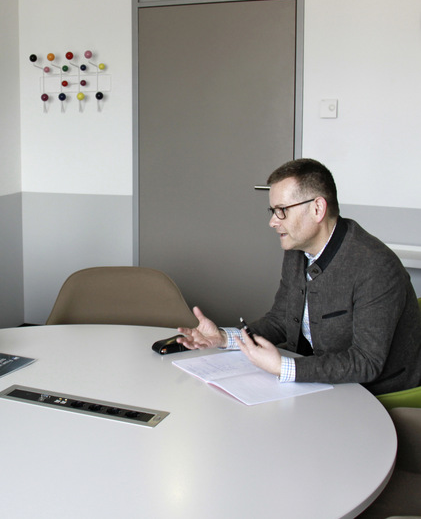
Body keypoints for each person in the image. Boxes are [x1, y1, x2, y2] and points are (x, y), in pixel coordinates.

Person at [177, 158, 421, 395]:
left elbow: (366, 362)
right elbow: (281, 320)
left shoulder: (376, 267)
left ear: (317, 209)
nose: (272, 221)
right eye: (273, 211)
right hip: (325, 382)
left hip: (377, 394)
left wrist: (283, 367)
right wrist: (224, 337)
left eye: (281, 210)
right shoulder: (298, 251)